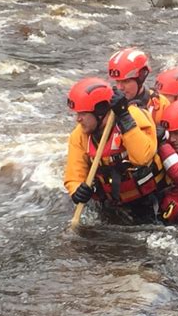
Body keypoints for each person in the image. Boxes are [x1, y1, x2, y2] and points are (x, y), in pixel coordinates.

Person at [64, 77, 166, 224]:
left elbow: (143, 157)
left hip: (148, 199)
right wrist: (76, 191)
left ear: (100, 112)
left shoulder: (135, 116)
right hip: (111, 203)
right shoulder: (79, 136)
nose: (78, 119)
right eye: (77, 114)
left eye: (83, 114)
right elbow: (74, 175)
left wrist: (124, 119)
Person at [108, 47, 170, 124]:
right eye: (117, 81)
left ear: (140, 77)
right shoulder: (109, 105)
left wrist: (164, 134)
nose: (120, 87)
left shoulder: (160, 105)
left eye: (126, 81)